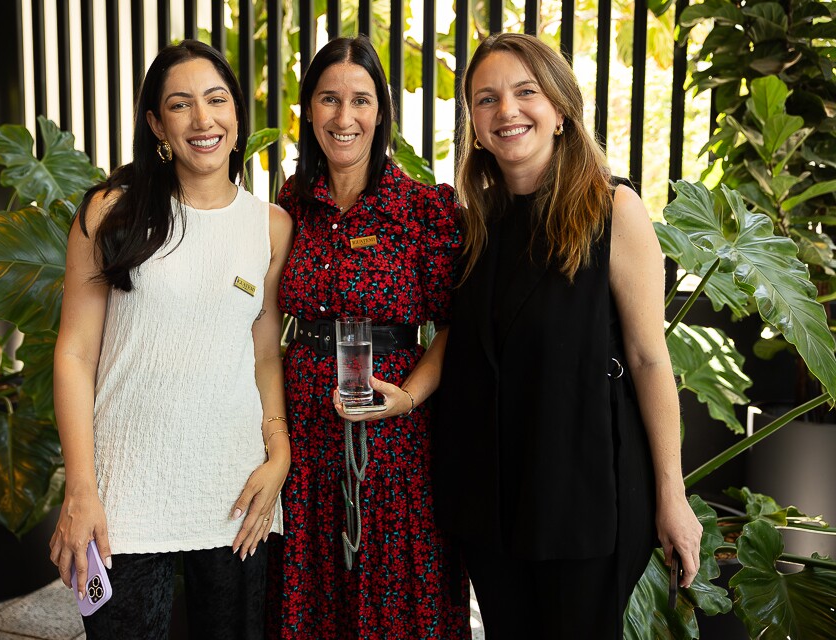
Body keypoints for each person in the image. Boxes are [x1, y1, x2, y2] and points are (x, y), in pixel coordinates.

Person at [433, 33, 703, 638]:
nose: (507, 111)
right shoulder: (474, 223)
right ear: (474, 125)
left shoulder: (614, 209)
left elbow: (649, 360)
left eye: (526, 92)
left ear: (559, 110)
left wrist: (673, 496)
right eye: (486, 99)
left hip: (584, 498)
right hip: (493, 504)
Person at [47, 39, 293, 639]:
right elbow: (74, 353)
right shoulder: (112, 211)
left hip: (235, 488)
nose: (202, 120)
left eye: (216, 100)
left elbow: (264, 351)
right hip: (126, 490)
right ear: (157, 124)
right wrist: (81, 487)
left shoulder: (270, 226)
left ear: (237, 114)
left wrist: (279, 453)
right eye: (180, 105)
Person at [265, 35, 472, 639]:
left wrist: (406, 397)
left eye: (359, 100)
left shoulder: (423, 211)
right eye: (328, 99)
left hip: (396, 439)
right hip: (305, 432)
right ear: (308, 111)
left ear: (381, 110)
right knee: (314, 592)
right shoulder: (290, 206)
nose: (343, 117)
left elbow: (455, 327)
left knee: (396, 597)